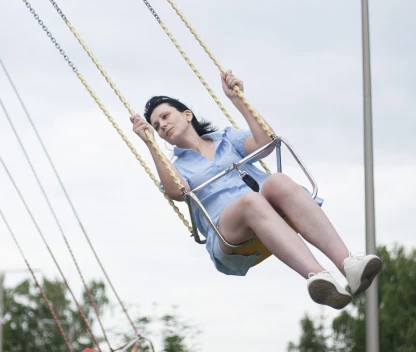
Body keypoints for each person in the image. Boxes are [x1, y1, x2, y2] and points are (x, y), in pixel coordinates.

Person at [131, 72, 382, 310]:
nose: (161, 125)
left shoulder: (226, 138)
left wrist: (238, 99)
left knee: (277, 181)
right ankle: (318, 276)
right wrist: (149, 143)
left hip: (266, 209)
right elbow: (178, 191)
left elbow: (265, 144)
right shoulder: (175, 167)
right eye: (156, 125)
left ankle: (349, 264)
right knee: (250, 201)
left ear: (187, 115)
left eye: (165, 116)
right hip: (227, 231)